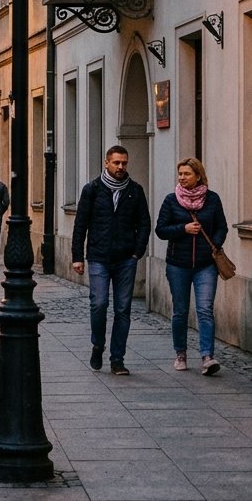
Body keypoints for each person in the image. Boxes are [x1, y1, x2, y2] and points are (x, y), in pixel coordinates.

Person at [72, 145, 151, 375]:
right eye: (116, 163)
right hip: (98, 256)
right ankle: (98, 344)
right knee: (99, 304)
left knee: (123, 309)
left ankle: (117, 359)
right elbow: (81, 224)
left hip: (126, 258)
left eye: (124, 163)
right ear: (106, 163)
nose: (120, 167)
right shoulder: (93, 189)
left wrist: (138, 251)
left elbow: (144, 223)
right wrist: (78, 256)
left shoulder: (135, 191)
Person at [155, 157, 228, 376]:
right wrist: (183, 228)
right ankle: (181, 353)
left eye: (187, 174)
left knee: (205, 310)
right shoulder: (171, 200)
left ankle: (207, 356)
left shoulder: (212, 199)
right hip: (178, 264)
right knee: (180, 311)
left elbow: (222, 227)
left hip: (206, 265)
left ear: (198, 175)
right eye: (180, 174)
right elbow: (161, 230)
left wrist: (213, 245)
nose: (182, 178)